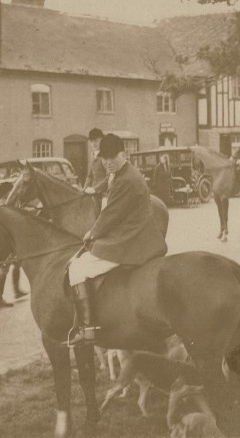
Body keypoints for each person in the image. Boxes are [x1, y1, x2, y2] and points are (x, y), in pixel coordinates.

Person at [66, 134, 168, 346]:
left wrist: (91, 233)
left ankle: (87, 328)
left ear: (124, 154)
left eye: (112, 157)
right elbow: (110, 197)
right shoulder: (121, 173)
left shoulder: (127, 180)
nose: (107, 162)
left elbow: (110, 214)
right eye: (104, 158)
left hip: (129, 239)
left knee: (76, 269)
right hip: (130, 232)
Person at [0, 182, 28, 308]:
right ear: (7, 192)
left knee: (17, 263)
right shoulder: (2, 204)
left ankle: (17, 290)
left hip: (10, 239)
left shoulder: (6, 202)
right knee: (4, 269)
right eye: (11, 191)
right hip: (4, 241)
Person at [83, 128, 109, 215]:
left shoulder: (106, 155)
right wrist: (85, 188)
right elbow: (89, 176)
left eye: (96, 140)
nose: (94, 143)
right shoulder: (92, 156)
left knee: (104, 213)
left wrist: (95, 189)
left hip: (105, 192)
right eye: (92, 141)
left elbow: (109, 177)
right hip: (92, 192)